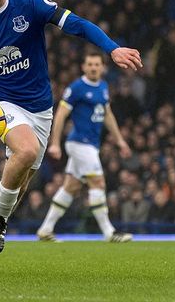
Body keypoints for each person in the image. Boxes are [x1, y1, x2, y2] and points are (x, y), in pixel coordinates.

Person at [0, 0, 141, 272]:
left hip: (40, 107)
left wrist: (112, 48)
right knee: (26, 152)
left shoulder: (29, 4)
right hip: (2, 104)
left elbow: (76, 24)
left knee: (16, 185)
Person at [36, 52, 134, 243]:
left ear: (102, 67)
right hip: (80, 143)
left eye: (97, 64)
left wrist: (120, 140)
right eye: (90, 64)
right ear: (84, 67)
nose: (93, 68)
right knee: (98, 183)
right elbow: (61, 115)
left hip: (91, 145)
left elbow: (107, 114)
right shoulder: (77, 88)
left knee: (70, 187)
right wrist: (54, 143)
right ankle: (109, 232)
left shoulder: (104, 87)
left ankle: (45, 229)